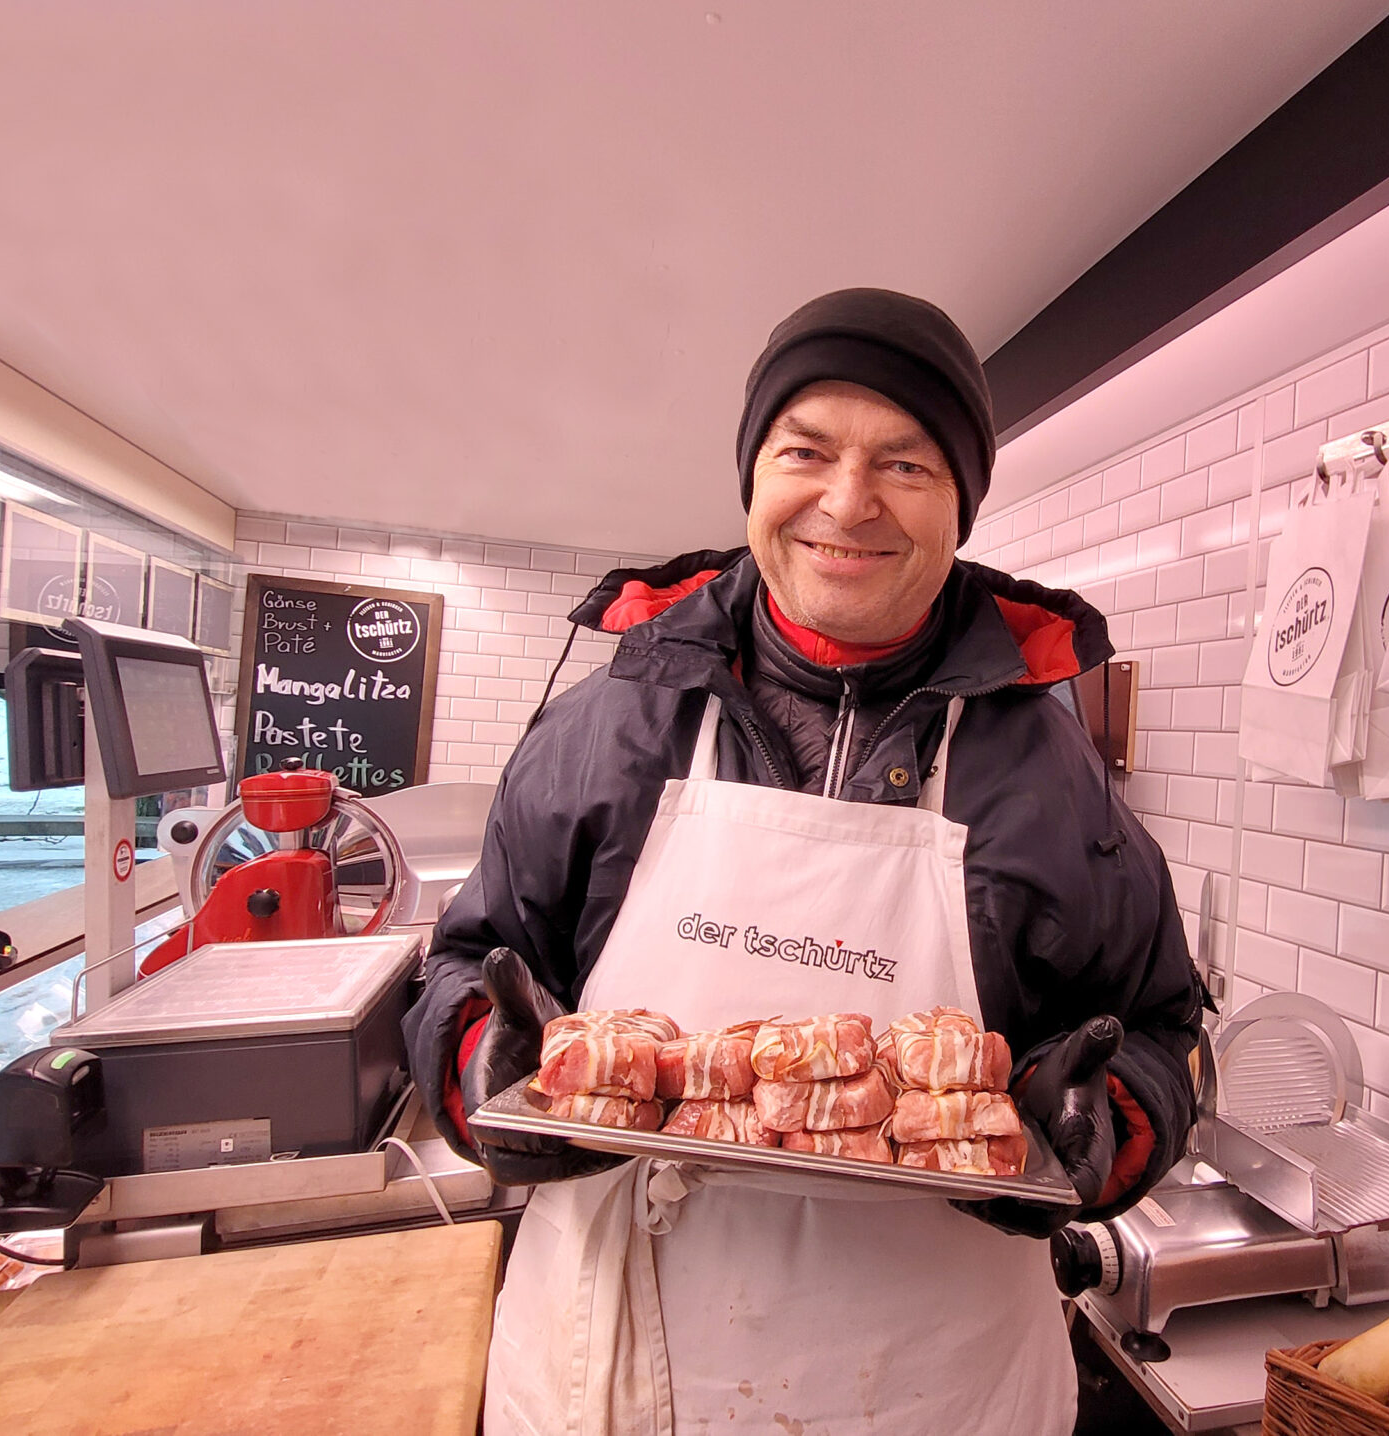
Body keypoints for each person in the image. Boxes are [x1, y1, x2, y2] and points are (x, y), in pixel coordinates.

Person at [405, 287, 1202, 1434]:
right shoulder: (607, 725)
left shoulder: (1049, 769)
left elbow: (1161, 1025)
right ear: (752, 477)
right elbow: (469, 961)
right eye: (806, 450)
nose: (848, 502)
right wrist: (481, 1060)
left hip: (938, 1389)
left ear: (960, 505)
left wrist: (1109, 1118)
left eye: (906, 464)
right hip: (617, 1376)